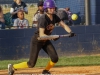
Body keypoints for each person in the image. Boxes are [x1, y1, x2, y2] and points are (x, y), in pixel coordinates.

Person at [8, 0, 76, 75]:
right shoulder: (43, 19)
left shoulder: (54, 16)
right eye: (50, 8)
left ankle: (45, 71)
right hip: (37, 40)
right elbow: (42, 35)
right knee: (31, 64)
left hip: (46, 41)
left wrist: (70, 32)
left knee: (54, 58)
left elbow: (63, 25)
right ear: (46, 9)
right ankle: (13, 67)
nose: (52, 9)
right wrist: (52, 37)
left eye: (53, 8)